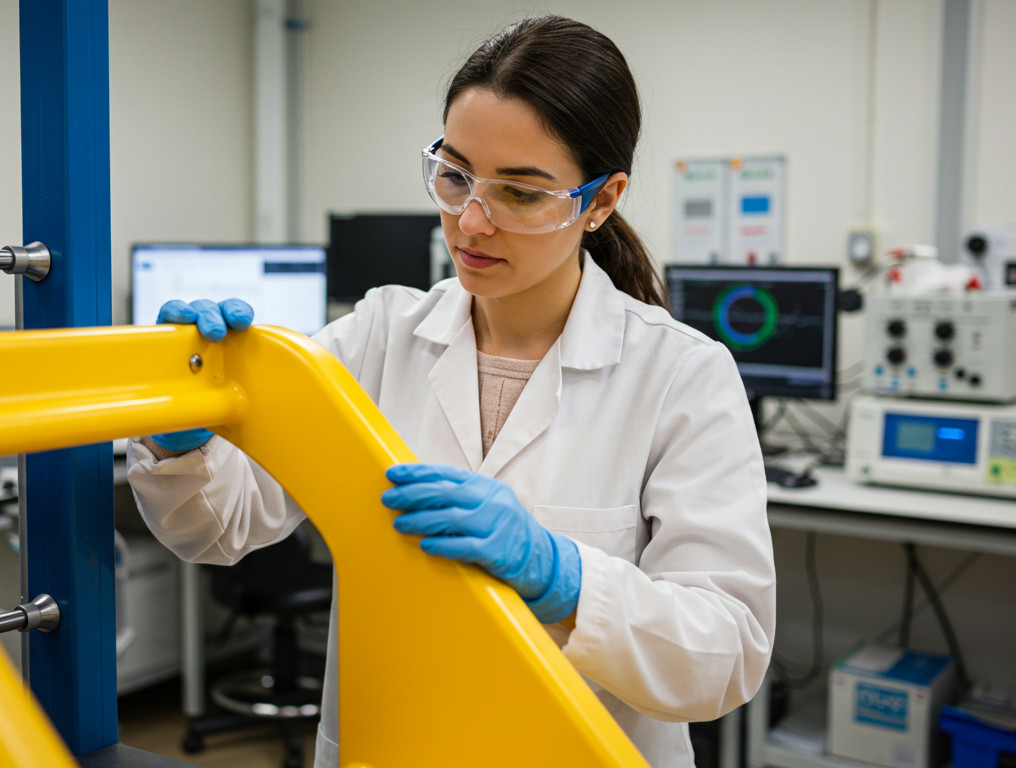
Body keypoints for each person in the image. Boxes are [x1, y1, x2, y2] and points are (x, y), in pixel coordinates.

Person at [128, 15, 774, 768]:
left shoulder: (680, 376)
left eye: (520, 195)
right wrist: (186, 424)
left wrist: (563, 578)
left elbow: (725, 654)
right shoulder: (378, 335)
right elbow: (219, 526)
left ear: (599, 203)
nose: (469, 221)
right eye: (455, 174)